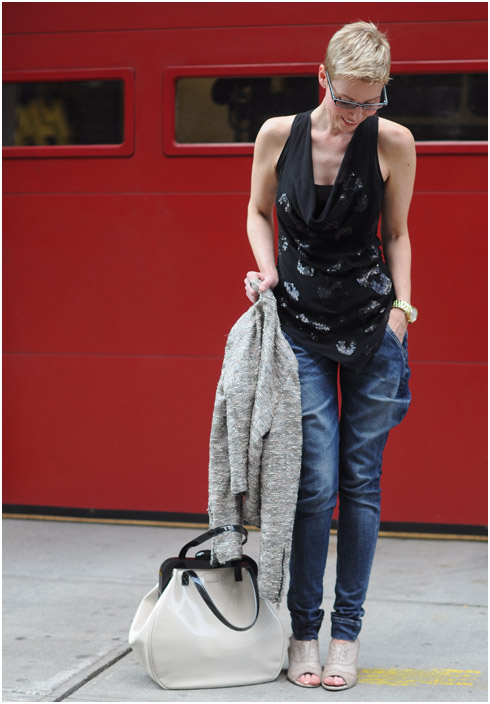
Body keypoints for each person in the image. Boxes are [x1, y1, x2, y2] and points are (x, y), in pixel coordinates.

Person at [244, 21, 416, 691]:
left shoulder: (393, 142)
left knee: (362, 483)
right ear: (323, 79)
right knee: (314, 485)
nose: (357, 115)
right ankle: (303, 632)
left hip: (374, 328)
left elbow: (397, 233)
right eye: (347, 100)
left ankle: (346, 633)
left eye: (372, 102)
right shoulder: (277, 135)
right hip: (299, 328)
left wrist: (404, 311)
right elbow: (258, 213)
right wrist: (268, 272)